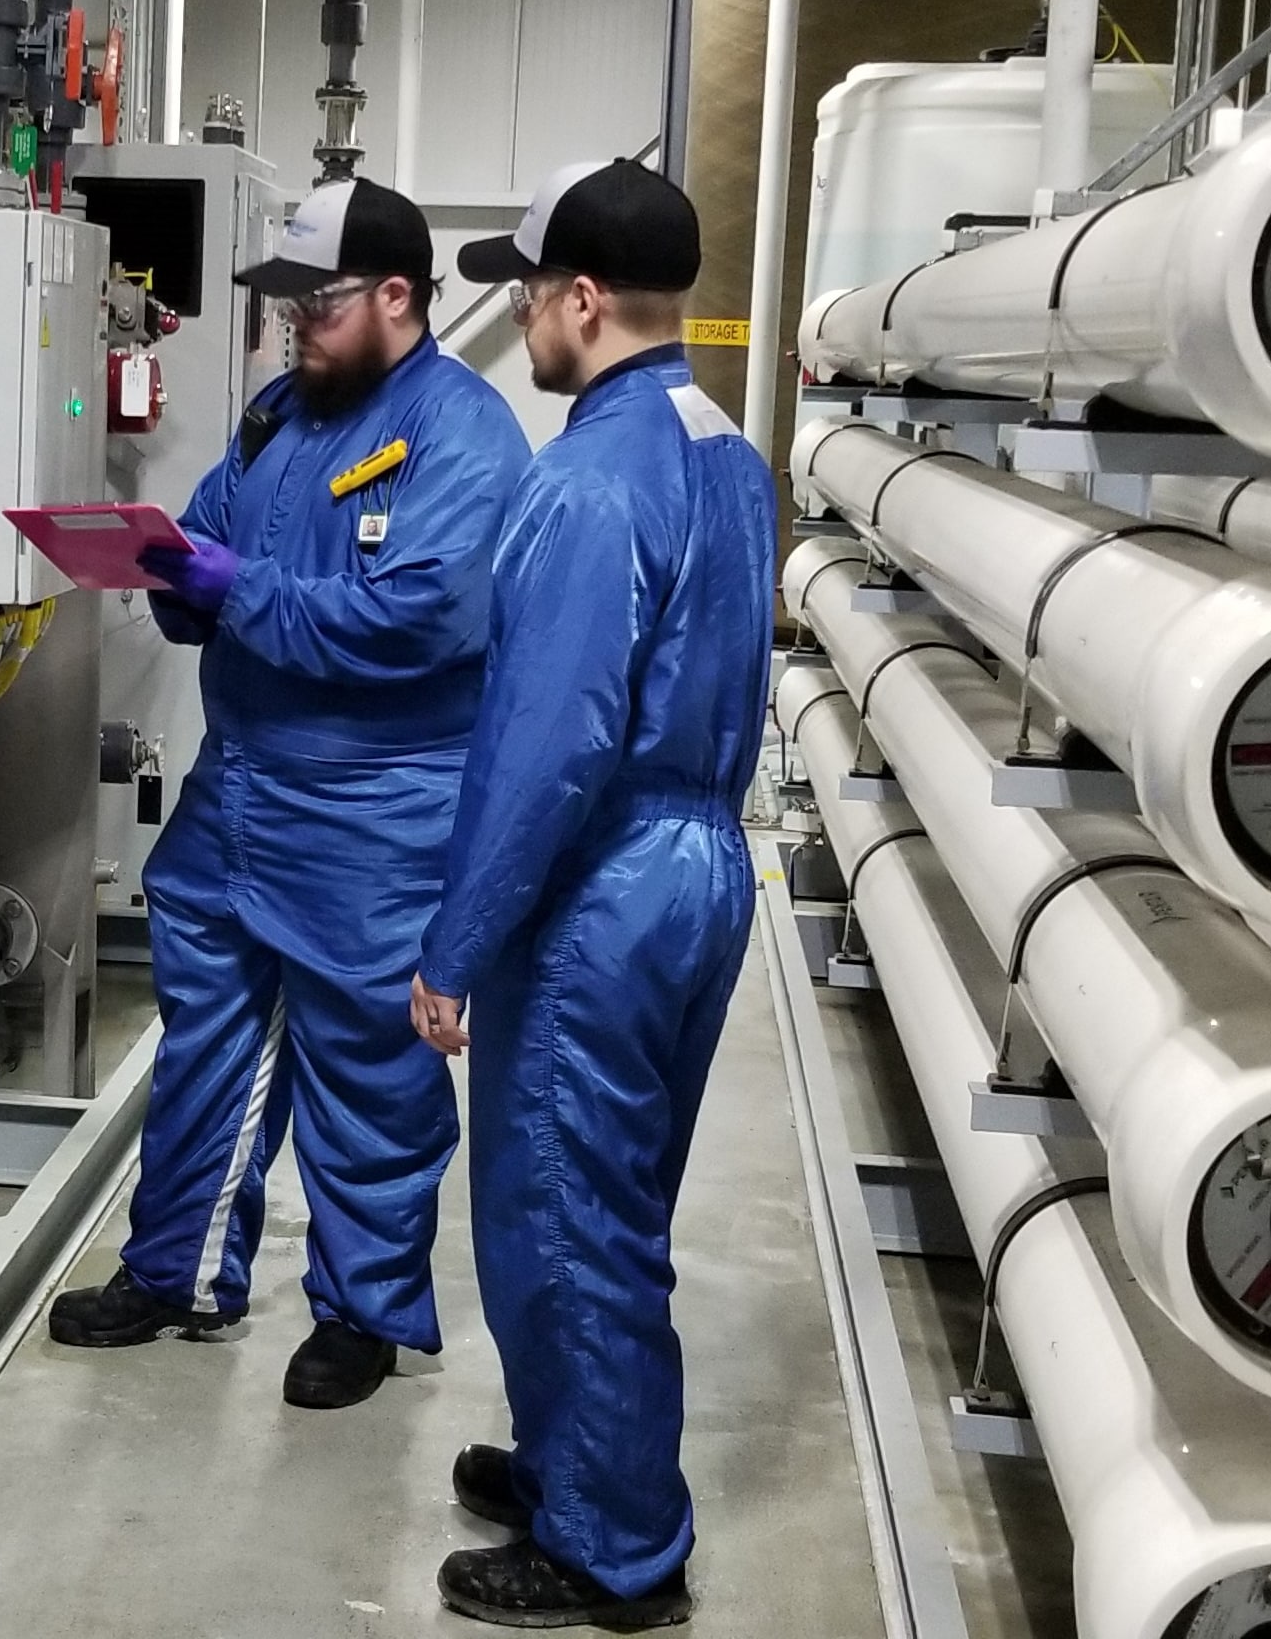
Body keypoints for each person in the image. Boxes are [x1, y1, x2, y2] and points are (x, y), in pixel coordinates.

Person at [47, 176, 531, 1410]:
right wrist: (161, 566)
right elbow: (203, 537)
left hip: (372, 813)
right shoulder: (276, 415)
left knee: (366, 1067)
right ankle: (179, 1271)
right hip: (240, 791)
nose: (287, 327)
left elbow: (419, 621)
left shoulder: (461, 437)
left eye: (312, 305)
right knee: (203, 1041)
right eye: (276, 304)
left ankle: (364, 1313)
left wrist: (235, 588)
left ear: (395, 297)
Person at [411, 157, 776, 1629]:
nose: (519, 317)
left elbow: (548, 744)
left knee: (564, 1215)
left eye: (525, 289)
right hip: (697, 865)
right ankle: (575, 1460)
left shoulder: (582, 479)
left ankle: (613, 1550)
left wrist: (457, 941)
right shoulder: (721, 448)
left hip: (599, 886)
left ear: (576, 299)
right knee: (606, 1202)